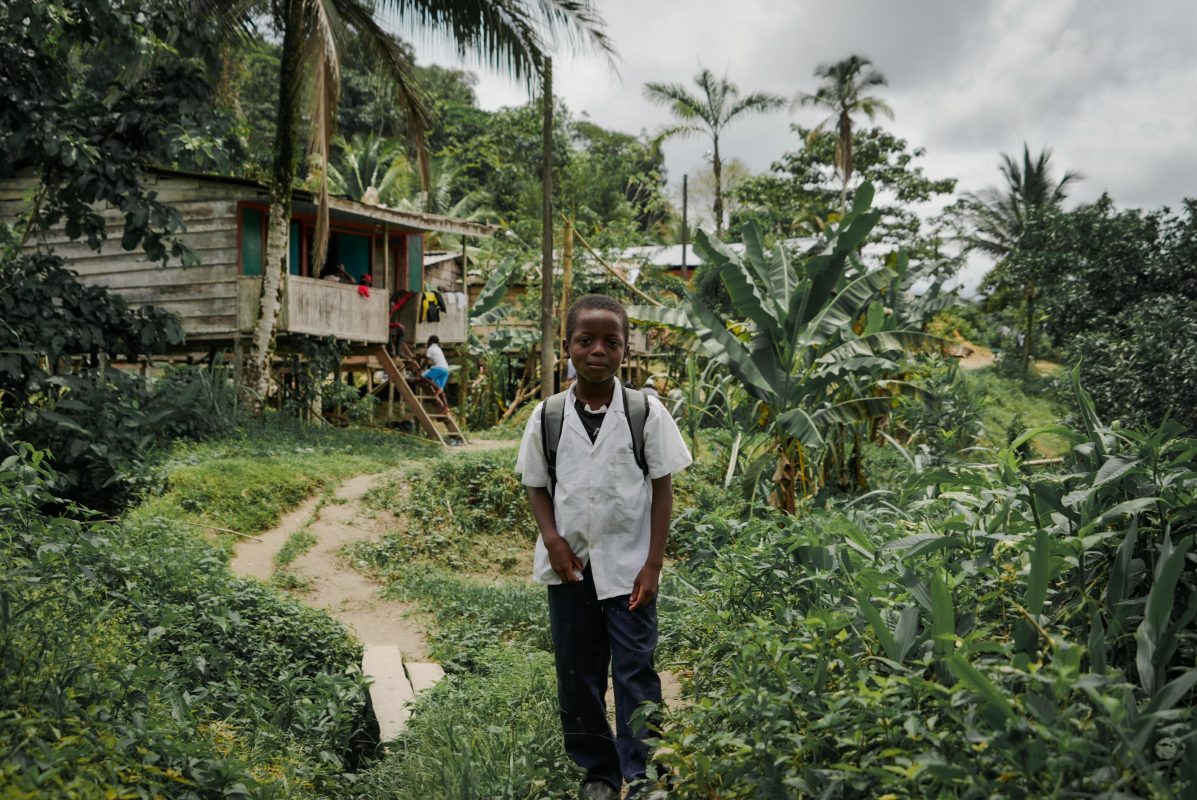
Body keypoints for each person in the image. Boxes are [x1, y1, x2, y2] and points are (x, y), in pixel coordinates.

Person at [516, 294, 691, 800]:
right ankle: (598, 770)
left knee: (636, 668)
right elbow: (536, 482)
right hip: (570, 567)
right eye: (585, 340)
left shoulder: (644, 412)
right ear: (566, 346)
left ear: (625, 349)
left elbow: (662, 487)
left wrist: (653, 563)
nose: (597, 350)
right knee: (578, 672)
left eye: (610, 342)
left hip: (630, 567)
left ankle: (643, 772)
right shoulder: (547, 416)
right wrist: (552, 540)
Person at [421, 335, 450, 409]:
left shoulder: (430, 348)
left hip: (439, 368)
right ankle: (446, 408)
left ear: (430, 341)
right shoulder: (438, 348)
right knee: (441, 390)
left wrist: (420, 369)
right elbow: (426, 357)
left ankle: (437, 388)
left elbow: (426, 361)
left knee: (423, 376)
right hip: (446, 369)